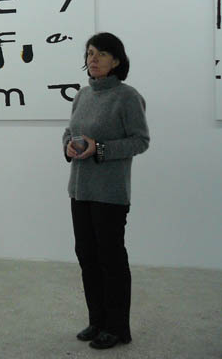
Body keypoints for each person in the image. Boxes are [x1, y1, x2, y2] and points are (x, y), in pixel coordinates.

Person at [63, 32, 149, 350]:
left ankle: (117, 327)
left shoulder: (128, 97)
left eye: (101, 53)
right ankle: (97, 321)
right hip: (80, 190)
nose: (93, 59)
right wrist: (68, 145)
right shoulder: (82, 96)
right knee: (87, 256)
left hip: (110, 194)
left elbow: (140, 141)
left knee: (110, 259)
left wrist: (99, 148)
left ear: (116, 60)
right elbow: (69, 131)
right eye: (89, 53)